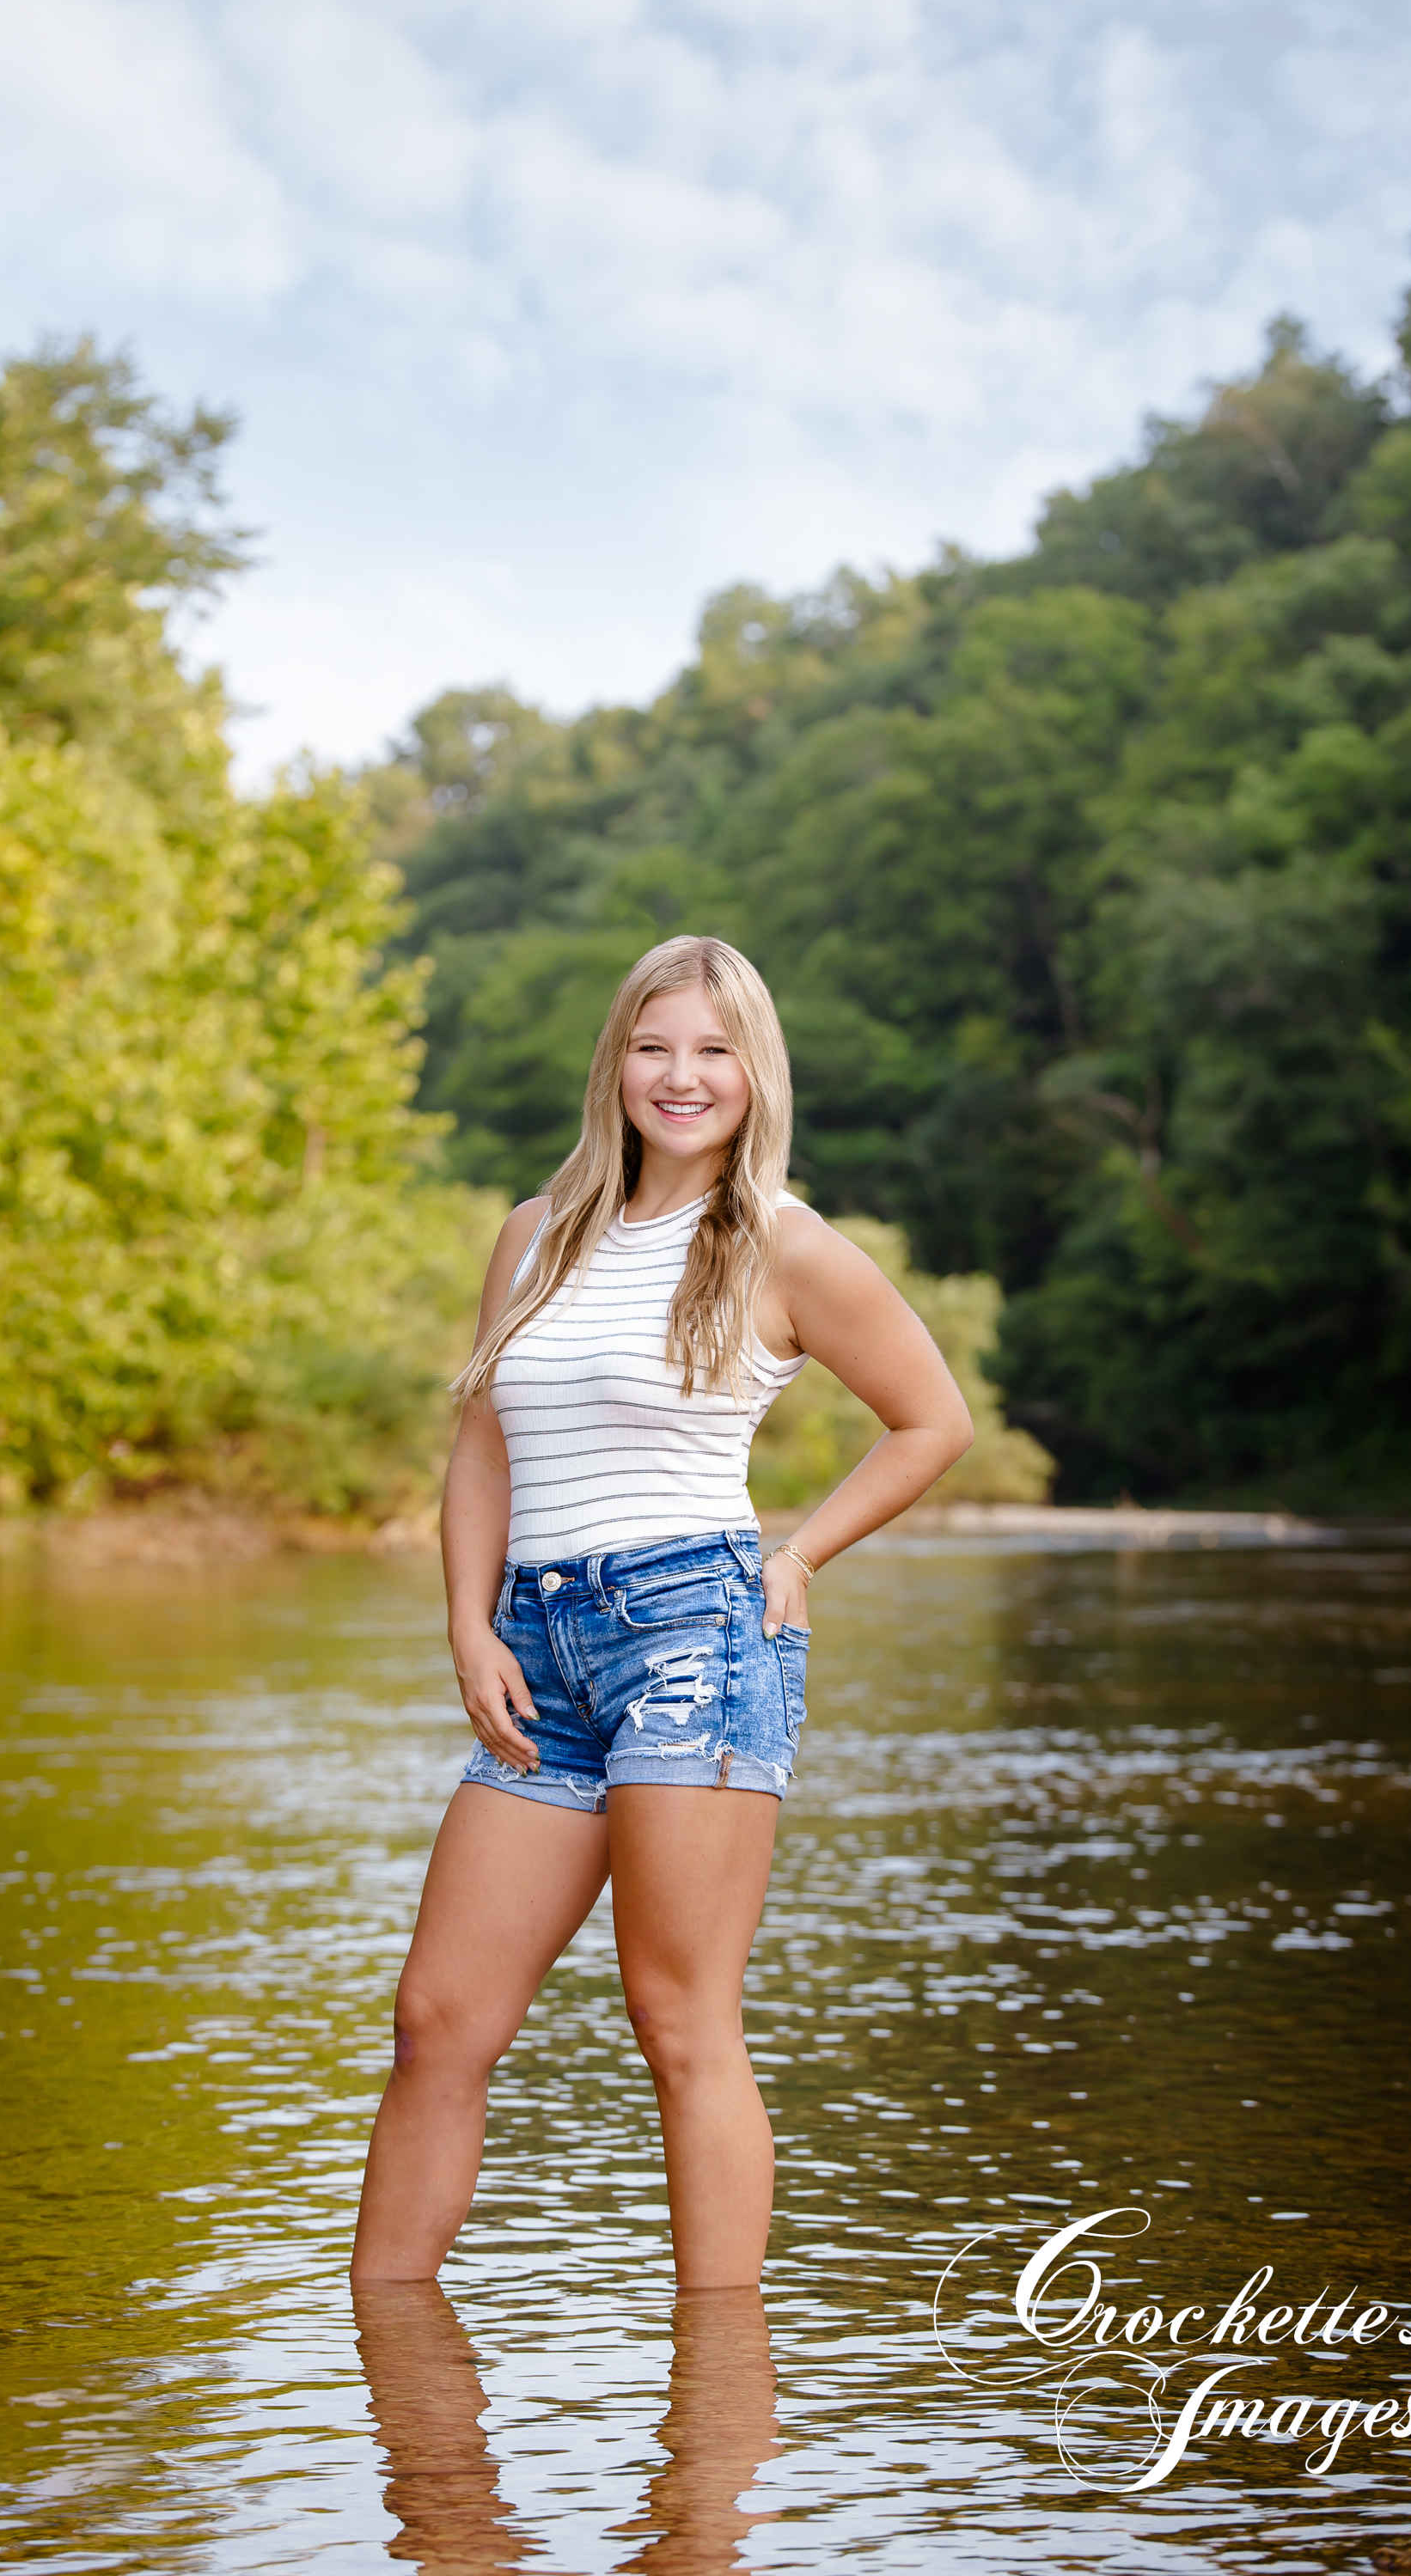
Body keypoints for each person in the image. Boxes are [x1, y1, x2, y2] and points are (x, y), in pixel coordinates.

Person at [351, 936, 973, 2289]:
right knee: (438, 2020)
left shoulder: (784, 1245)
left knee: (678, 2020)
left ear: (755, 1073)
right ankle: (393, 2380)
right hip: (541, 1647)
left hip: (696, 1633)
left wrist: (804, 1550)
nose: (680, 1077)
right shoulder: (538, 1230)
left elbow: (933, 1420)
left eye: (712, 1050)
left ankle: (716, 2414)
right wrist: (468, 1623)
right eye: (654, 1046)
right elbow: (485, 1447)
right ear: (615, 1061)